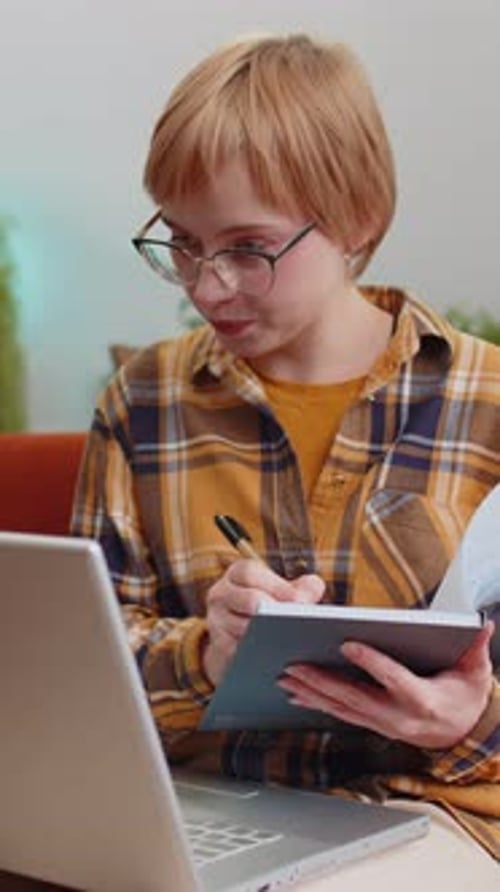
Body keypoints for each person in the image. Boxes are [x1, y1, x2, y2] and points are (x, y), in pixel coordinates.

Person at [71, 34, 500, 858]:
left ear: (357, 220)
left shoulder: (487, 407)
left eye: (246, 248)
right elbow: (85, 667)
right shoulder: (144, 401)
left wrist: (472, 717)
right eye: (183, 241)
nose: (205, 285)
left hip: (434, 815)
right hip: (201, 811)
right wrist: (208, 651)